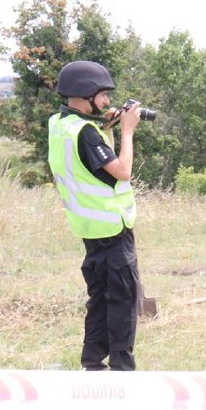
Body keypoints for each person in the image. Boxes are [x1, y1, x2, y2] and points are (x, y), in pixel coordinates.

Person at [47, 60, 143, 371]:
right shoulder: (86, 133)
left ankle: (92, 361)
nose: (106, 102)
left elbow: (94, 168)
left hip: (89, 227)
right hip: (112, 227)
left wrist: (108, 129)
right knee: (123, 298)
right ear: (86, 93)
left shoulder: (60, 125)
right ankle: (122, 367)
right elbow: (122, 172)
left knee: (100, 296)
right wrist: (127, 132)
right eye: (102, 95)